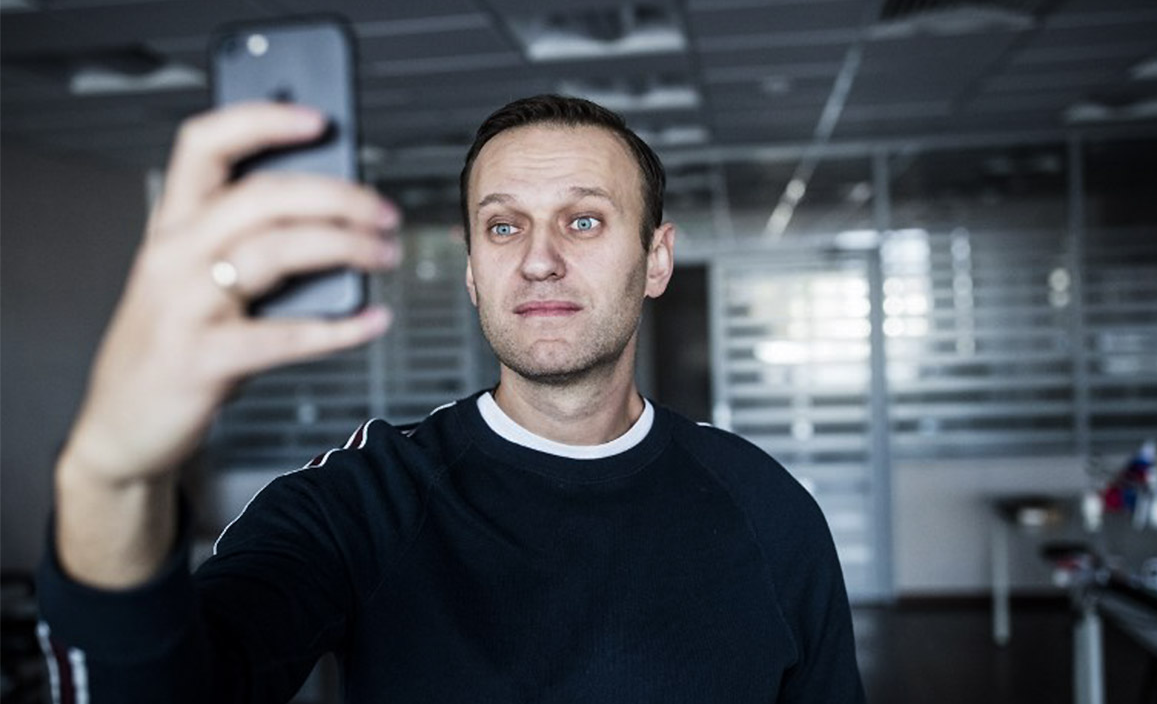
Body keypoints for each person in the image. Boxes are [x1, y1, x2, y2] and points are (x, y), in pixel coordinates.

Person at [37, 94, 865, 703]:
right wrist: (109, 476)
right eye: (504, 226)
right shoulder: (369, 498)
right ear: (473, 271)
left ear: (656, 260)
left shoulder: (766, 507)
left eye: (583, 221)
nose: (538, 259)